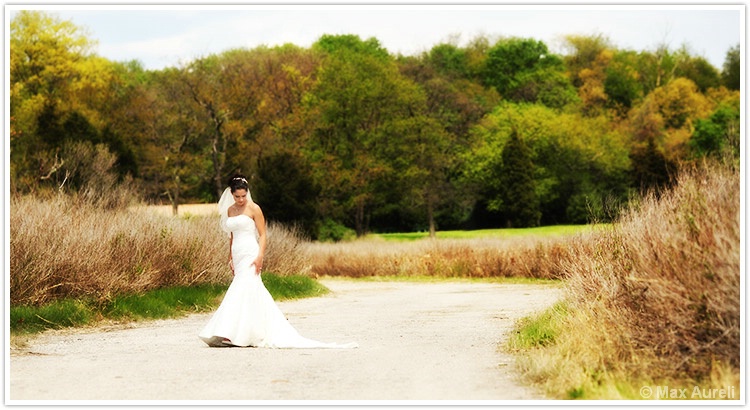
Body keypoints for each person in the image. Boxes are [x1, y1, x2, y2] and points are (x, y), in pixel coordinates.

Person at [199, 174, 357, 349]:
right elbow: (231, 237)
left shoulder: (254, 209)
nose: (241, 199)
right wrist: (229, 257)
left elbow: (263, 234)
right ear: (231, 194)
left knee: (243, 287)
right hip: (238, 254)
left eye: (244, 195)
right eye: (237, 196)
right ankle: (239, 331)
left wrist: (260, 256)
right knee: (245, 289)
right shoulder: (230, 211)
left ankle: (234, 332)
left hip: (251, 253)